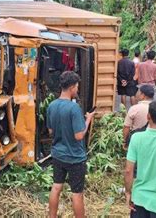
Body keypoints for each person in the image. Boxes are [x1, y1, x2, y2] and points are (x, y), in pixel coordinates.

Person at [47, 71, 95, 218]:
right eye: (77, 86)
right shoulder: (74, 108)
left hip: (57, 154)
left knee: (56, 187)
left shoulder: (52, 105)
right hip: (74, 157)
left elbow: (50, 131)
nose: (78, 89)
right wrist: (88, 119)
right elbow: (79, 135)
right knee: (77, 194)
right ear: (72, 87)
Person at [123, 85, 154, 149]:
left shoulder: (134, 108)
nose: (136, 93)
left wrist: (124, 141)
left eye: (138, 92)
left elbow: (126, 127)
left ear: (143, 95)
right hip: (153, 141)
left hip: (136, 140)